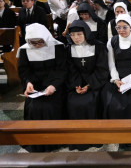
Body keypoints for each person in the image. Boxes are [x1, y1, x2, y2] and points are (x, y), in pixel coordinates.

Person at [18, 23, 66, 152]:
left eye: (40, 42)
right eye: (33, 43)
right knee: (34, 107)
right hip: (36, 87)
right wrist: (28, 83)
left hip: (55, 85)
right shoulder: (24, 50)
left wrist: (54, 85)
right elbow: (24, 71)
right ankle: (36, 142)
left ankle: (53, 142)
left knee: (49, 107)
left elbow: (62, 70)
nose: (38, 45)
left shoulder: (57, 47)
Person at [66, 20, 109, 150]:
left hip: (95, 83)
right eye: (73, 35)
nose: (76, 38)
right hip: (76, 85)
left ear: (86, 33)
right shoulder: (68, 48)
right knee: (73, 102)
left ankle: (95, 137)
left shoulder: (99, 46)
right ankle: (77, 138)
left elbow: (102, 68)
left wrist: (89, 85)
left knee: (92, 101)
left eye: (79, 34)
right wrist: (77, 85)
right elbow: (69, 69)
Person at [102, 14, 131, 121]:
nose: (121, 30)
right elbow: (111, 63)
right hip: (116, 77)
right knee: (111, 102)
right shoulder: (112, 41)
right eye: (118, 27)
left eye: (125, 27)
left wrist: (130, 80)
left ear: (130, 26)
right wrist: (116, 79)